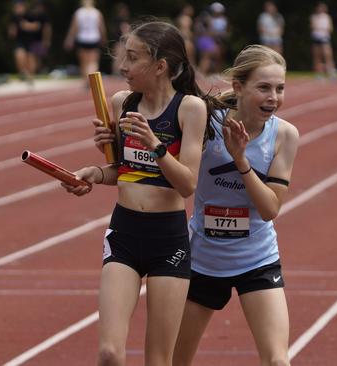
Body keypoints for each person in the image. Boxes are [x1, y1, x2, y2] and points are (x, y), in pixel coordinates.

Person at [94, 44, 298, 366]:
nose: (274, 97)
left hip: (257, 259)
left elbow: (271, 208)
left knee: (277, 361)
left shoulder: (284, 135)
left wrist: (240, 160)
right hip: (203, 259)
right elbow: (153, 157)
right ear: (238, 87)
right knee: (176, 360)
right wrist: (117, 140)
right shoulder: (204, 120)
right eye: (264, 87)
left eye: (280, 88)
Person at [62, 21, 226, 365]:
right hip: (125, 231)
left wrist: (155, 145)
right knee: (108, 353)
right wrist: (94, 173)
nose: (123, 66)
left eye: (132, 58)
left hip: (167, 239)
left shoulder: (189, 109)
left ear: (160, 66)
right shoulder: (123, 103)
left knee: (158, 360)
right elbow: (125, 172)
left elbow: (187, 185)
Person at [63, 0, 107, 85]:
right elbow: (101, 27)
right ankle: (91, 79)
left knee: (83, 62)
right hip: (94, 38)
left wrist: (69, 39)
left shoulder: (79, 13)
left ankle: (85, 79)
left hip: (82, 38)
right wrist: (103, 38)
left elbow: (74, 27)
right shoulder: (97, 13)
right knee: (93, 62)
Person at [310, 2, 337, 79]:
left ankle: (331, 72)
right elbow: (313, 27)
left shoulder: (327, 17)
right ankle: (319, 74)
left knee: (328, 55)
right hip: (316, 38)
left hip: (325, 38)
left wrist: (322, 30)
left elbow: (330, 28)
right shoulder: (314, 17)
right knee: (317, 57)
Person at [108, 3, 131, 74]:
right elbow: (125, 33)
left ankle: (115, 73)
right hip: (121, 43)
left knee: (116, 59)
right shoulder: (122, 21)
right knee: (120, 59)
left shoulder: (115, 21)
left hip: (116, 42)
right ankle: (117, 74)